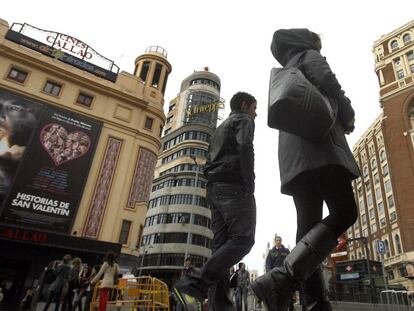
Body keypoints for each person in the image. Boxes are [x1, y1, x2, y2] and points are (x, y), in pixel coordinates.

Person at [250, 29, 359, 311]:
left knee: (307, 226)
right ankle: (283, 278)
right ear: (306, 42)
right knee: (346, 211)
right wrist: (347, 113)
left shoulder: (284, 73)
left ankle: (314, 302)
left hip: (294, 158)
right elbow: (328, 82)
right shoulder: (308, 56)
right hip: (320, 145)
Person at [174, 91, 257, 311]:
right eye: (254, 108)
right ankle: (194, 283)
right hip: (233, 185)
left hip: (213, 188)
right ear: (244, 104)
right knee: (243, 239)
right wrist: (249, 183)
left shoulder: (220, 128)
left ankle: (220, 306)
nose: (255, 114)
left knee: (221, 247)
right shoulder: (243, 119)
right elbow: (246, 147)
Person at [265, 236, 294, 311]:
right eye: (277, 240)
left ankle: (289, 308)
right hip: (275, 276)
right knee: (275, 294)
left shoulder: (286, 251)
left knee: (286, 293)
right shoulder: (271, 252)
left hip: (284, 275)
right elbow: (268, 264)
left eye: (279, 240)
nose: (278, 241)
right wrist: (269, 273)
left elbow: (290, 260)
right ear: (275, 241)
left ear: (281, 241)